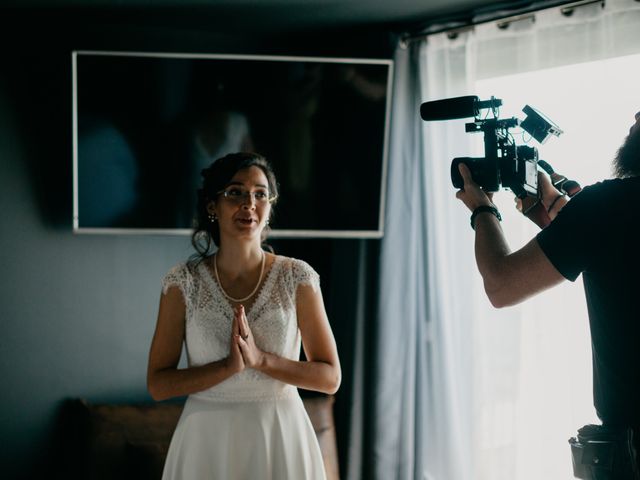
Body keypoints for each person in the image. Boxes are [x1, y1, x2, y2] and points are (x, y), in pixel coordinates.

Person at [456, 111, 640, 475]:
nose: (636, 114)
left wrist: (483, 208)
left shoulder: (606, 207)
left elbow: (501, 285)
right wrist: (567, 218)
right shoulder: (603, 211)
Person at [147, 152, 341, 479]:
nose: (249, 203)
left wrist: (261, 361)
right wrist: (227, 367)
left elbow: (330, 378)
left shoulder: (298, 278)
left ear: (269, 207)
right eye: (235, 192)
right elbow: (158, 384)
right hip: (205, 439)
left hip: (280, 433)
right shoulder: (183, 283)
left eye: (260, 193)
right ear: (213, 205)